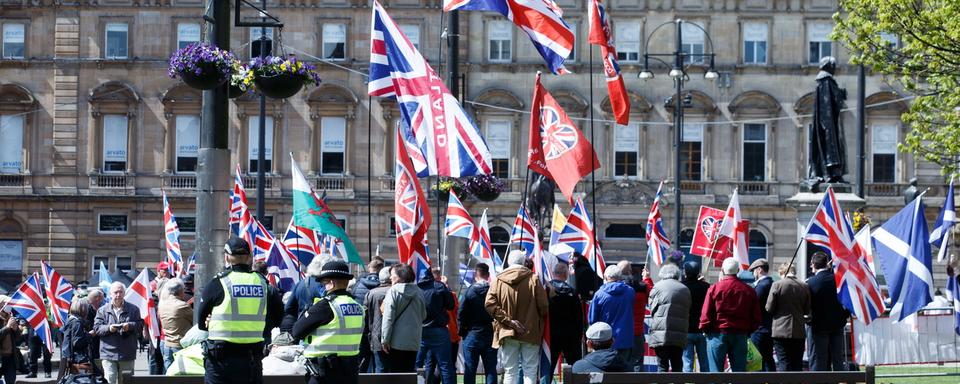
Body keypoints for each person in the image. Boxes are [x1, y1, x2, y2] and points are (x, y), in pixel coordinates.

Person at [195, 236, 283, 384]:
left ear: (227, 257)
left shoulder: (219, 282)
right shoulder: (263, 283)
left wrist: (210, 323)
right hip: (252, 357)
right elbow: (278, 317)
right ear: (249, 257)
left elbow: (201, 321)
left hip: (221, 359)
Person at [292, 260, 365, 384]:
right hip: (350, 371)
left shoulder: (325, 305)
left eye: (323, 283)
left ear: (331, 283)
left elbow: (297, 331)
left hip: (325, 373)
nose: (323, 287)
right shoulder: (358, 306)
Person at [485, 251, 549, 384]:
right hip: (530, 332)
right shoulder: (534, 279)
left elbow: (489, 304)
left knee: (510, 372)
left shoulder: (498, 280)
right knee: (530, 371)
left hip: (507, 332)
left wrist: (509, 321)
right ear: (524, 262)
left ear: (509, 262)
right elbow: (544, 306)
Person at [699, 257, 760, 372]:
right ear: (738, 271)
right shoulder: (748, 290)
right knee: (739, 373)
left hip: (717, 334)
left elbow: (705, 313)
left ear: (722, 270)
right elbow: (756, 316)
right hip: (740, 334)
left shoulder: (714, 288)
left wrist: (705, 329)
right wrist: (748, 331)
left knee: (715, 373)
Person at [806, 251, 850, 371]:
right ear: (827, 264)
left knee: (818, 359)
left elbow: (806, 305)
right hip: (837, 324)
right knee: (837, 359)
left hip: (818, 326)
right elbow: (849, 301)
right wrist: (843, 316)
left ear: (813, 265)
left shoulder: (810, 282)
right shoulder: (838, 280)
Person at [808, 56, 848, 184]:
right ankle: (831, 173)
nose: (835, 68)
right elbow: (829, 103)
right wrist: (840, 96)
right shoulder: (826, 81)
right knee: (831, 147)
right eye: (833, 66)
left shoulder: (826, 81)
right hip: (828, 123)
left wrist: (840, 94)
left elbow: (831, 100)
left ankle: (833, 173)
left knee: (833, 146)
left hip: (828, 121)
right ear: (828, 66)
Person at [381, 263, 427, 373]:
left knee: (395, 375)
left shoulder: (393, 291)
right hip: (414, 341)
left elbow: (388, 318)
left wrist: (385, 340)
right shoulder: (419, 292)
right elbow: (424, 315)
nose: (390, 277)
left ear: (400, 276)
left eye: (392, 275)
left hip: (396, 341)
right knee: (409, 374)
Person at [94, 282, 143, 384]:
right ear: (110, 294)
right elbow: (97, 328)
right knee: (109, 380)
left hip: (127, 353)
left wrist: (129, 326)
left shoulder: (134, 309)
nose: (118, 295)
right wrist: (109, 328)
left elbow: (140, 325)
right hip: (108, 353)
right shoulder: (102, 310)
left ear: (124, 293)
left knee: (125, 381)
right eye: (116, 292)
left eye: (121, 292)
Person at [765, 263, 810, 372]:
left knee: (783, 362)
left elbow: (769, 308)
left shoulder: (777, 285)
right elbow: (807, 309)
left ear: (782, 273)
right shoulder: (804, 286)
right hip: (798, 330)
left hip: (780, 330)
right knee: (797, 363)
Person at [648, 264, 691, 372]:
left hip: (660, 333)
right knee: (677, 365)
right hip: (679, 333)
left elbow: (651, 307)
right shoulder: (685, 289)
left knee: (662, 365)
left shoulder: (657, 287)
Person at [416, 266, 456, 384]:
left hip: (420, 330)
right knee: (445, 366)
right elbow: (450, 305)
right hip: (438, 329)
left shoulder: (415, 288)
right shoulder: (439, 286)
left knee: (417, 365)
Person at [587, 264, 635, 362]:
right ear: (620, 277)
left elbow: (592, 319)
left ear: (606, 277)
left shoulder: (599, 294)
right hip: (625, 339)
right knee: (625, 372)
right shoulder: (630, 291)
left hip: (604, 340)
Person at [459, 263, 497, 384]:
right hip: (490, 333)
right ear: (488, 275)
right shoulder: (494, 291)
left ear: (475, 275)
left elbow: (461, 312)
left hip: (472, 333)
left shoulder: (469, 292)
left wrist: (462, 331)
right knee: (490, 369)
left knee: (470, 369)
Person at [545, 262, 582, 379]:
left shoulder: (545, 290)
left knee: (548, 369)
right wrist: (579, 334)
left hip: (551, 335)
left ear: (553, 273)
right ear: (566, 275)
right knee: (574, 367)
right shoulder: (573, 292)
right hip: (570, 335)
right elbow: (578, 317)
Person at [617, 260, 653, 372]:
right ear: (630, 271)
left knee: (620, 363)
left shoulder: (614, 287)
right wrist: (647, 278)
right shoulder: (642, 287)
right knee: (637, 362)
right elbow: (653, 295)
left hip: (619, 332)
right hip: (637, 331)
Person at [353, 257, 385, 373]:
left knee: (362, 361)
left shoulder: (358, 285)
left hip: (362, 327)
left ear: (369, 268)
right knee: (380, 363)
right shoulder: (386, 287)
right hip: (380, 328)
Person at [281, 256, 328, 333]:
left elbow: (288, 308)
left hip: (303, 328)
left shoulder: (300, 284)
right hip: (321, 330)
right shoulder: (324, 286)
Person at [158, 277, 193, 372]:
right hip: (179, 345)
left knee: (169, 374)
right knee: (180, 376)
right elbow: (195, 321)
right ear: (181, 291)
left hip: (166, 344)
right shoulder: (182, 306)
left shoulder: (162, 304)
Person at [681, 261, 710, 372]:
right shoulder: (706, 287)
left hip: (686, 329)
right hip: (702, 329)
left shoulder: (682, 286)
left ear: (686, 273)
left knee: (687, 363)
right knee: (704, 363)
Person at [364, 267, 393, 373]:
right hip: (394, 337)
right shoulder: (395, 292)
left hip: (376, 336)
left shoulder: (371, 293)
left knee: (380, 369)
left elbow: (365, 317)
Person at [59, 298, 97, 379]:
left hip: (68, 357)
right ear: (83, 309)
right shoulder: (77, 322)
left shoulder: (69, 319)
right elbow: (77, 342)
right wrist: (90, 335)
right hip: (77, 359)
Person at [748, 259, 775, 371]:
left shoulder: (761, 286)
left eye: (753, 271)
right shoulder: (773, 283)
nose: (753, 274)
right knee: (769, 359)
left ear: (759, 269)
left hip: (759, 329)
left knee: (757, 360)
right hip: (770, 327)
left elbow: (753, 305)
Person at [0, 309, 23, 384]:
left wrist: (16, 330)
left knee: (10, 381)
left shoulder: (11, 318)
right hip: (1, 357)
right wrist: (7, 327)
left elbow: (18, 340)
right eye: (3, 305)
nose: (5, 308)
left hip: (10, 357)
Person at [27, 313, 52, 378]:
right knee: (32, 352)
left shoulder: (47, 303)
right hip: (34, 329)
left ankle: (47, 372)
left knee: (46, 353)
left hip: (45, 329)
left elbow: (50, 316)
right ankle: (33, 372)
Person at [86, 288, 105, 372]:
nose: (88, 300)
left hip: (104, 339)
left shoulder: (106, 308)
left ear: (97, 298)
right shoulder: (87, 309)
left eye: (90, 298)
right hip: (92, 340)